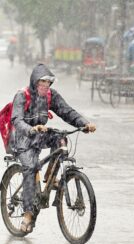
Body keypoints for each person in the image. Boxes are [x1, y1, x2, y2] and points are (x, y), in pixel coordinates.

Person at [10, 64, 96, 233]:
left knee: (60, 138)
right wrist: (31, 129)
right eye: (42, 82)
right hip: (23, 138)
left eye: (48, 82)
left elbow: (67, 111)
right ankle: (28, 214)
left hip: (40, 134)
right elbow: (16, 120)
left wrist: (84, 123)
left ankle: (50, 176)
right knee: (30, 168)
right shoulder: (22, 95)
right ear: (35, 82)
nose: (46, 86)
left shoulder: (51, 96)